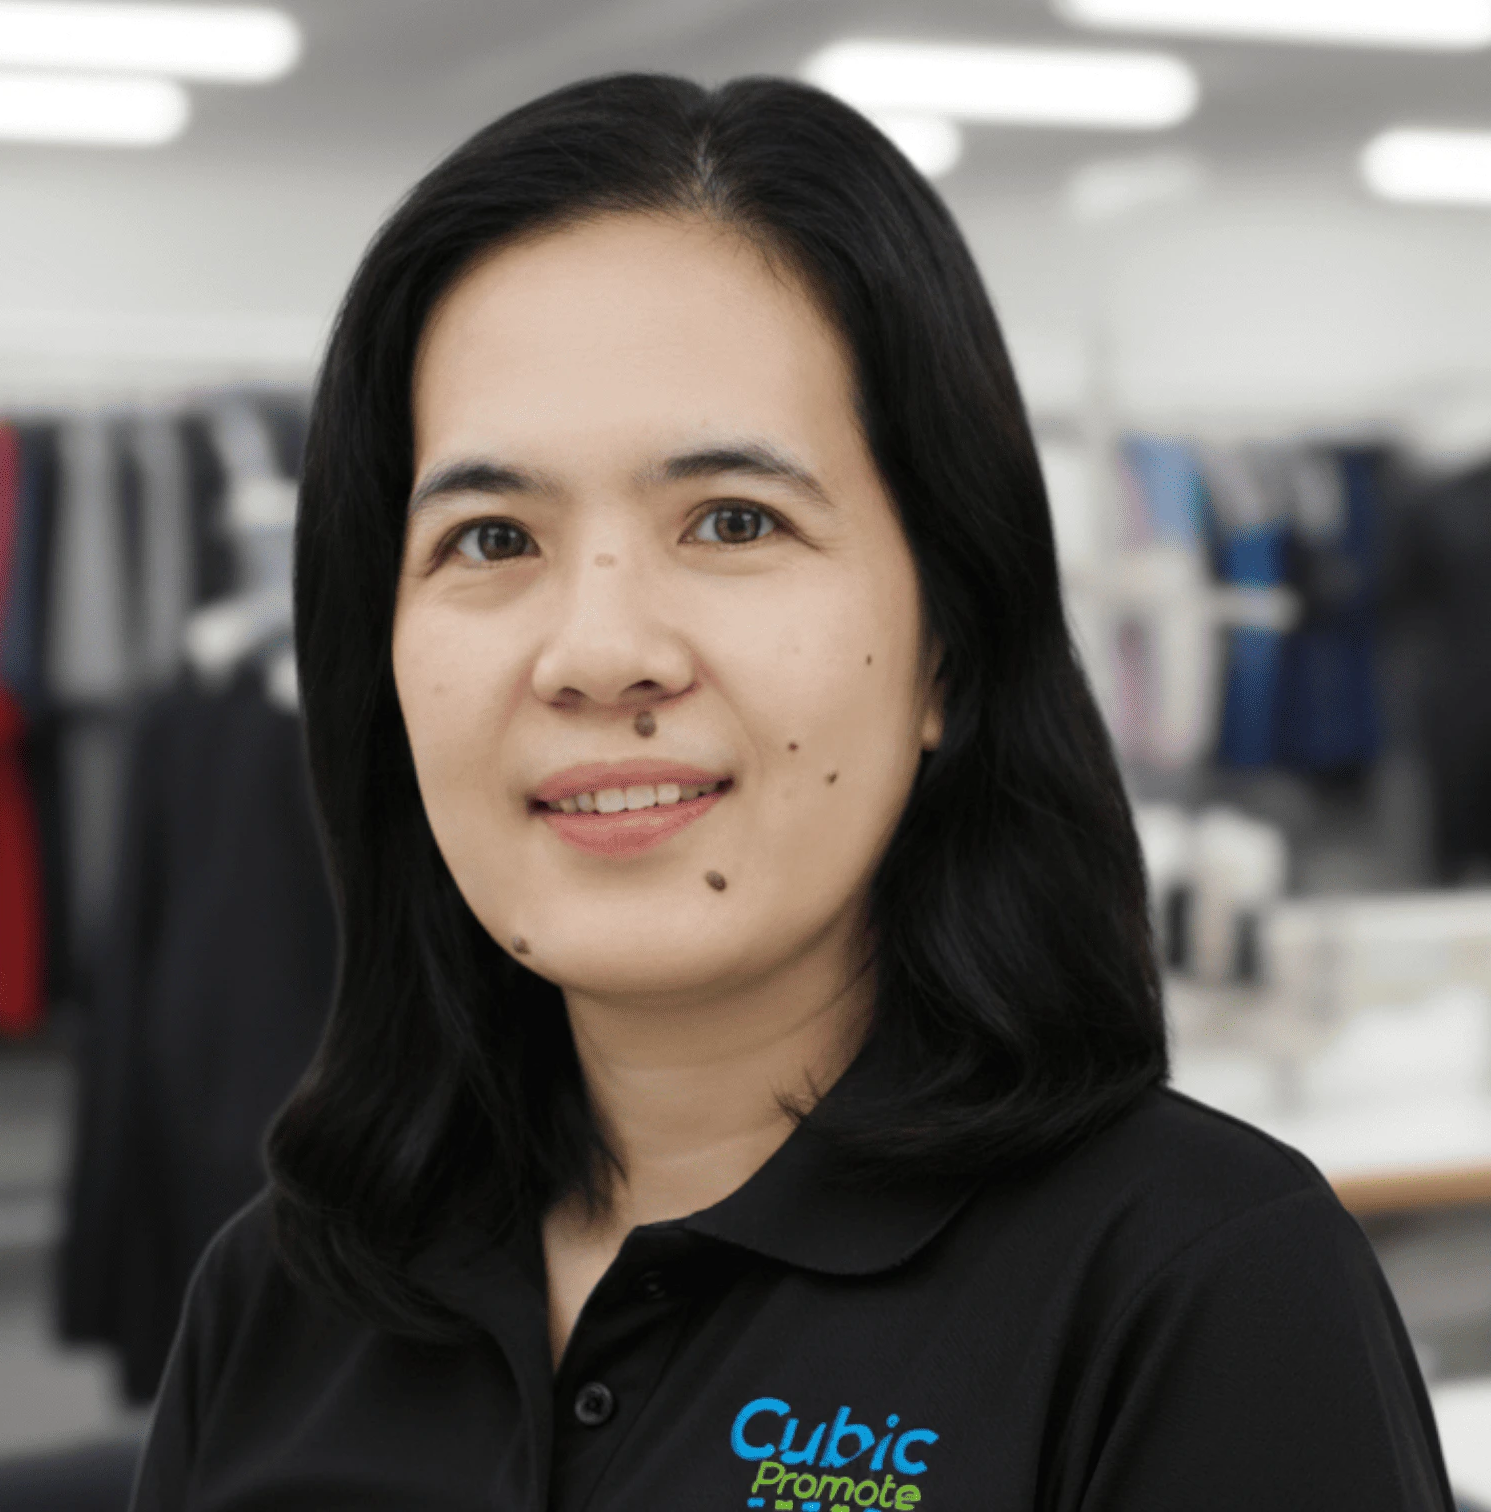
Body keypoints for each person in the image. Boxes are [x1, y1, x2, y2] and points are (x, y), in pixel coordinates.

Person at [129, 73, 1451, 1511]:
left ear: (949, 640)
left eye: (734, 520)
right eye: (492, 535)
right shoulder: (279, 1291)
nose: (598, 651)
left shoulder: (1194, 1285)